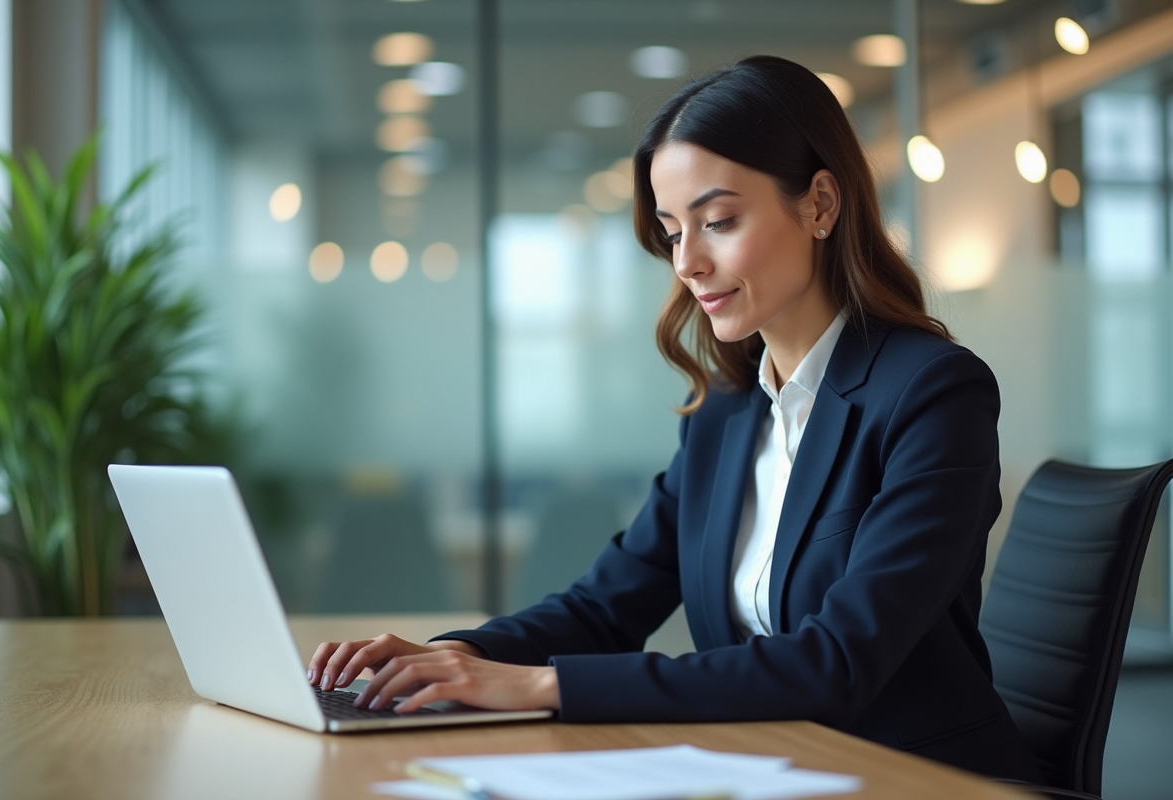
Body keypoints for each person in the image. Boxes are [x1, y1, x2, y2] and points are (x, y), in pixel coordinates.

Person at [308, 55, 1044, 783]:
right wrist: (461, 655)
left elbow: (838, 660)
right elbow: (604, 607)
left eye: (718, 220)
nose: (687, 262)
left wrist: (540, 686)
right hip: (767, 767)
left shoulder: (933, 393)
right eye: (670, 231)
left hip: (910, 777)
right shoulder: (727, 413)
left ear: (820, 204)